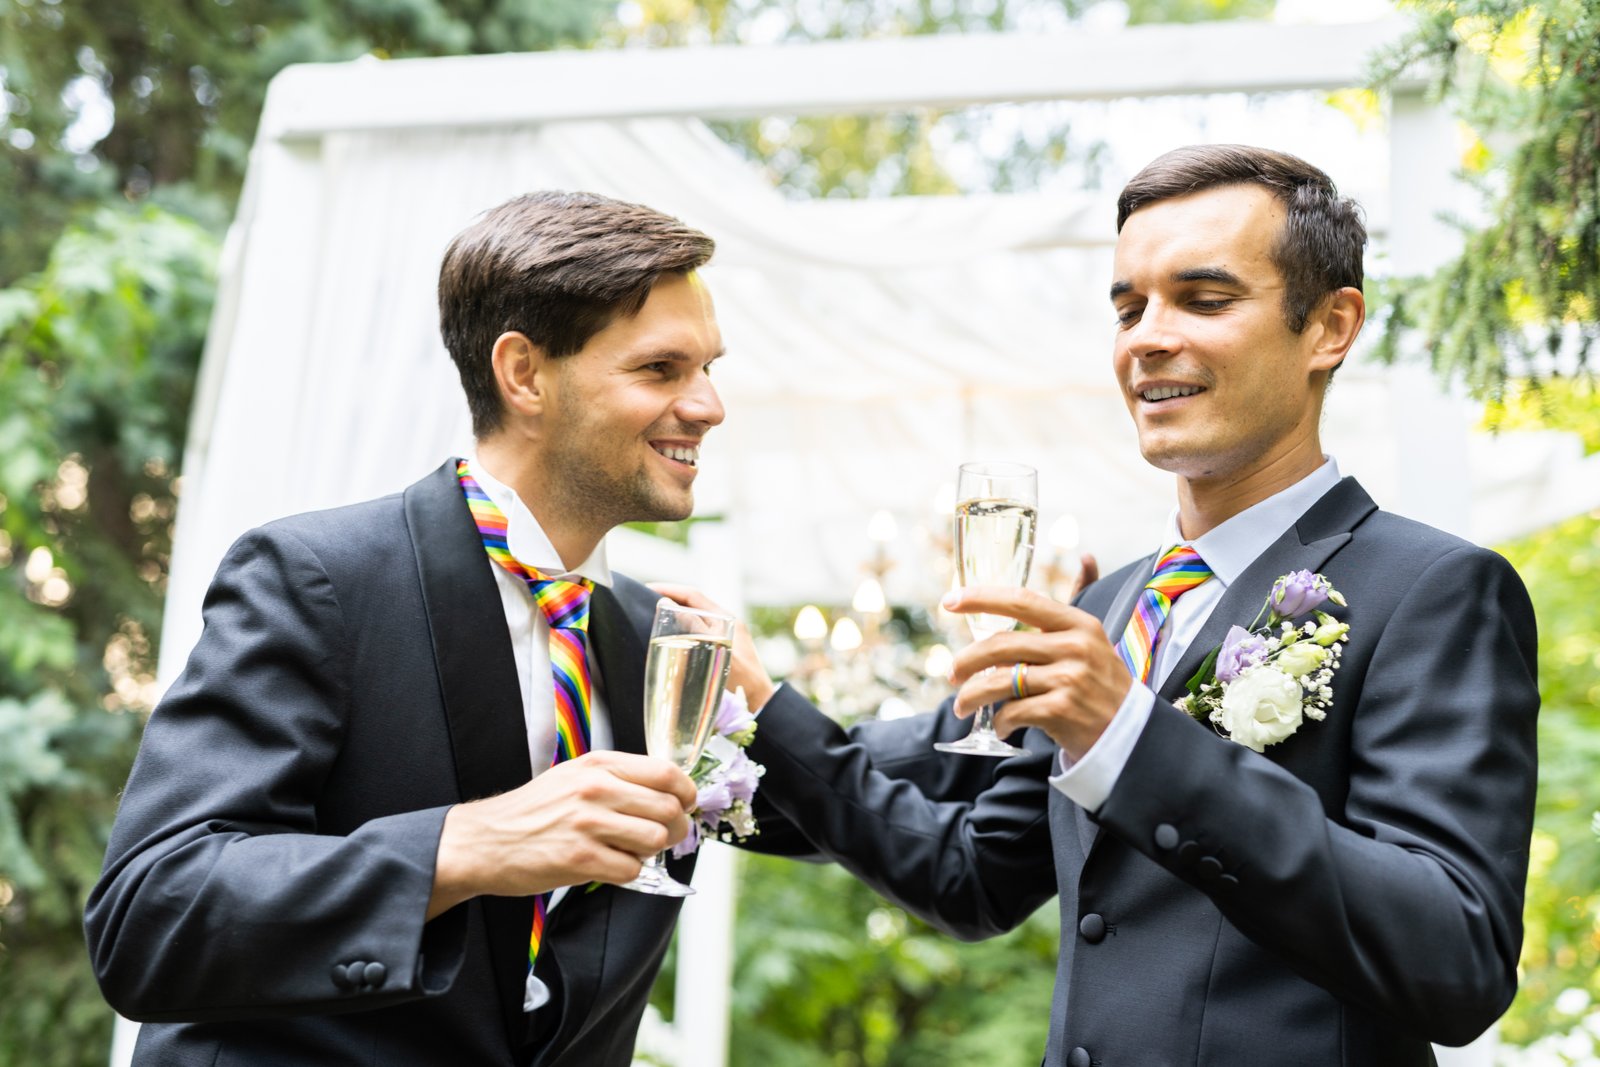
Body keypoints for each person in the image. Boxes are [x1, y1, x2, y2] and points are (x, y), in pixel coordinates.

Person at [668, 145, 1540, 1066]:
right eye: (1129, 307)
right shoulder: (1115, 600)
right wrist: (734, 737)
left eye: (1203, 300)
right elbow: (971, 873)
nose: (1146, 337)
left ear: (1330, 325)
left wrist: (1128, 737)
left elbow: (1456, 955)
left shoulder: (1436, 590)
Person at [87, 191, 751, 1066]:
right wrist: (463, 845)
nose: (709, 405)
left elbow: (904, 831)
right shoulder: (317, 577)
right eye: (662, 369)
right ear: (523, 375)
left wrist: (995, 705)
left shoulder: (656, 640)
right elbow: (149, 914)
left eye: (709, 367)